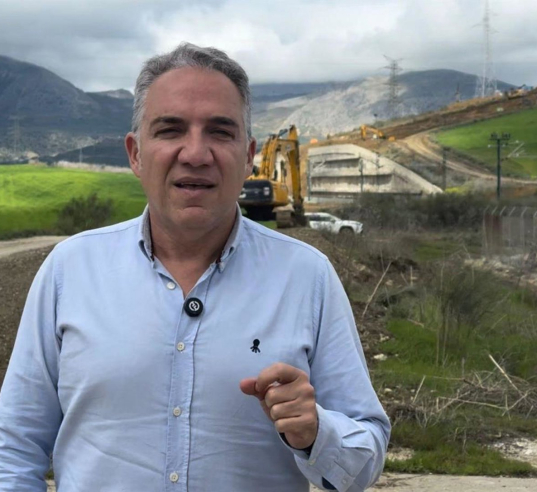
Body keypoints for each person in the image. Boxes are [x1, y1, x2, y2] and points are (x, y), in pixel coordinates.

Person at [0, 43, 390, 491]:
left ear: (249, 156)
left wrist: (317, 433)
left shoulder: (308, 277)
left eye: (220, 132)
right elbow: (13, 448)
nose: (196, 153)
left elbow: (366, 458)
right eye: (170, 130)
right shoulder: (69, 271)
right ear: (135, 153)